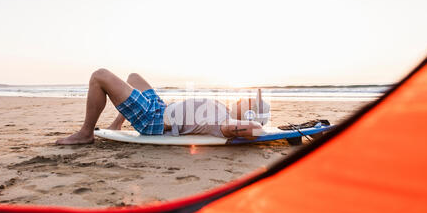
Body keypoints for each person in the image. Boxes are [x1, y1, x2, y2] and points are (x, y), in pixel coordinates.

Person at [56, 69, 270, 145]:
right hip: (160, 108)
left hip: (152, 119)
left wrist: (253, 123)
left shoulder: (226, 122)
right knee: (133, 77)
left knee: (99, 75)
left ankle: (86, 133)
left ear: (248, 113)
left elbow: (255, 130)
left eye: (250, 102)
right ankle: (116, 125)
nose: (244, 98)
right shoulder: (225, 110)